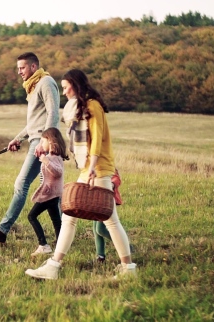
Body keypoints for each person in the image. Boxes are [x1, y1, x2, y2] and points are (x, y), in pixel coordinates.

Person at [25, 69, 137, 280]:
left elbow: (97, 139)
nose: (65, 92)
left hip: (98, 168)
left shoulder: (92, 106)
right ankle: (126, 268)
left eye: (66, 87)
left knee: (101, 220)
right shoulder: (81, 108)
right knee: (78, 217)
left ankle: (55, 266)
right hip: (90, 167)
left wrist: (92, 166)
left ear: (76, 86)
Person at [0, 52, 60, 244]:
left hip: (42, 142)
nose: (19, 72)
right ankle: (64, 232)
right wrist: (18, 138)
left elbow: (53, 115)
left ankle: (1, 231)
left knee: (21, 184)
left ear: (33, 67)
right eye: (18, 68)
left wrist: (43, 142)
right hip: (36, 140)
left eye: (22, 68)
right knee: (49, 191)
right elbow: (34, 122)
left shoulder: (46, 82)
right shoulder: (33, 87)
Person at [27, 128, 68, 256]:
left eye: (43, 141)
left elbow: (58, 172)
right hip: (53, 194)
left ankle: (43, 245)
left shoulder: (53, 157)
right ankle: (62, 244)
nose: (41, 143)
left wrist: (45, 160)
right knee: (56, 219)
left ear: (50, 141)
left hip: (49, 195)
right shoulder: (54, 157)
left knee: (31, 216)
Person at [94, 169, 123, 263]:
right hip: (95, 200)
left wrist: (112, 184)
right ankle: (100, 257)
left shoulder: (107, 164)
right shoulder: (92, 166)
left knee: (100, 229)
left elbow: (116, 179)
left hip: (107, 200)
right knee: (95, 230)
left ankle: (125, 245)